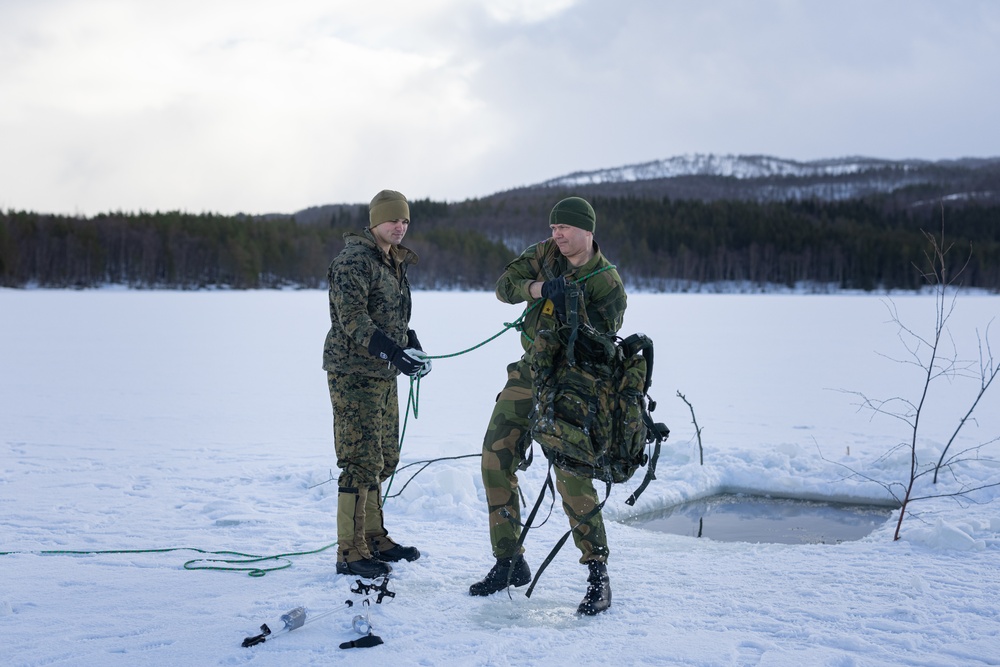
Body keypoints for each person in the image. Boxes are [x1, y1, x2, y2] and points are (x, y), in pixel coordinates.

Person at [470, 196, 627, 615]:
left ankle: (598, 575)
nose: (556, 235)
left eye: (565, 229)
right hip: (529, 372)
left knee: (572, 476)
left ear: (587, 231)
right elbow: (504, 286)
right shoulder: (544, 254)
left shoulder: (606, 282)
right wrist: (540, 288)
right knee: (494, 458)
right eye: (554, 228)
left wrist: (575, 311)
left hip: (574, 383)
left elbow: (603, 346)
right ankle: (509, 561)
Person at [323, 189, 432, 578]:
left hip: (383, 373)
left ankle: (372, 537)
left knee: (384, 458)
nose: (399, 226)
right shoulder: (354, 261)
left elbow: (388, 316)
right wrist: (393, 352)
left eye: (404, 221)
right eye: (392, 220)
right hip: (354, 373)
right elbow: (352, 319)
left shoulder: (392, 261)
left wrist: (409, 345)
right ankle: (349, 552)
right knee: (358, 461)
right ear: (374, 222)